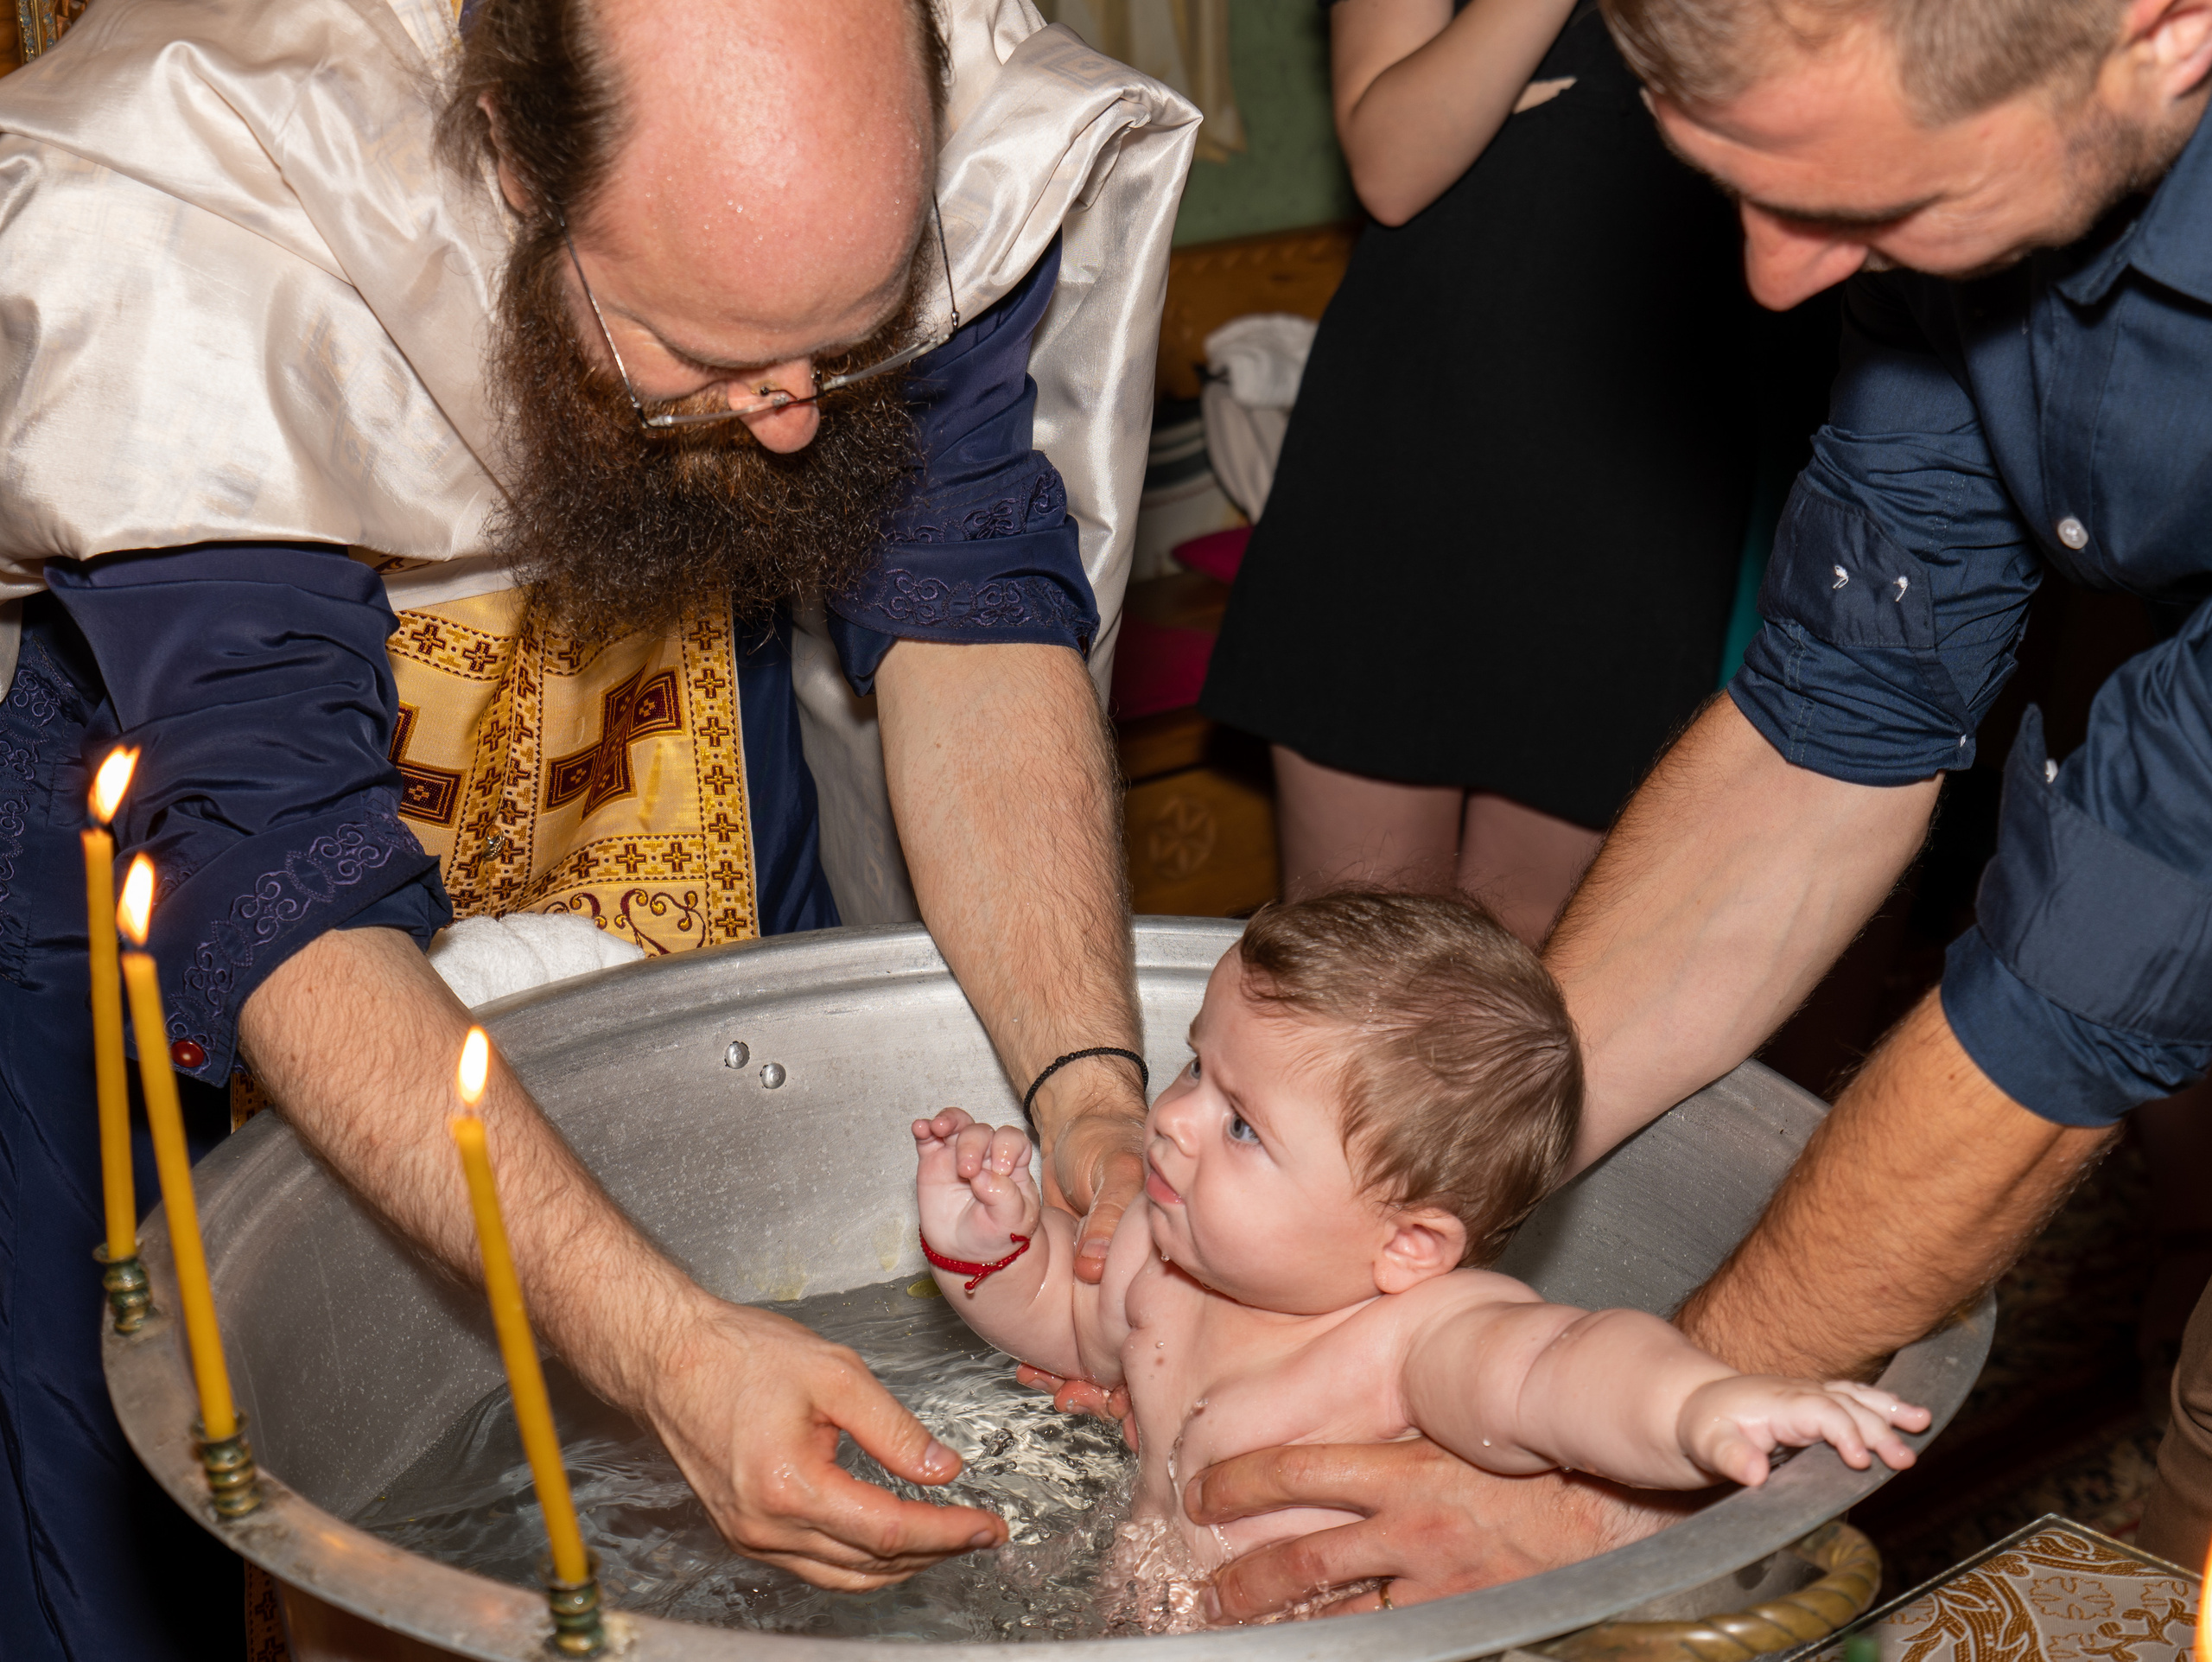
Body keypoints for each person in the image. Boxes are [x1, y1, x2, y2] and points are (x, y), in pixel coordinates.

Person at [0, 0, 1196, 1654]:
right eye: (708, 358)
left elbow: (971, 597)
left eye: (842, 352)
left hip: (671, 736)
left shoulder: (909, 97)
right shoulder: (196, 186)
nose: (792, 429)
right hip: (180, 868)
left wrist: (1089, 1091)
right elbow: (263, 859)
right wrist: (670, 1356)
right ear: (504, 151)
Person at [1166, 0, 2212, 1621]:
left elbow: (2086, 980)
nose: (1772, 282)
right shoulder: (1954, 142)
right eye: (1735, 185)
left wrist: (1609, 1491)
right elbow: (1829, 725)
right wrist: (1401, 1195)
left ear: (2165, 30)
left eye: (1868, 210)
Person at [914, 890, 1925, 1628]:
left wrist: (1699, 1408)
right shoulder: (1165, 1258)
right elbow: (1073, 1326)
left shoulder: (1413, 1339)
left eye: (1243, 1127)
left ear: (1406, 1245)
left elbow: (1565, 1368)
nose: (1171, 1120)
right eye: (1192, 1065)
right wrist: (990, 1251)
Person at [1199, 0, 1808, 944]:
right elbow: (1392, 168)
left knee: (1523, 985)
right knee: (1357, 959)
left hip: (1650, 466)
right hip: (1415, 442)